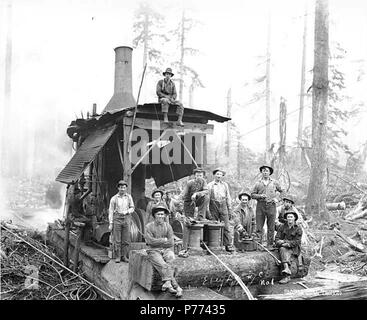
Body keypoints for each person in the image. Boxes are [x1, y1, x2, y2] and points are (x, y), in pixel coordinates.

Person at [145, 205, 183, 297]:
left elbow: (171, 243)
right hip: (153, 251)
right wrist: (163, 240)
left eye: (162, 214)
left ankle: (168, 283)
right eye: (158, 214)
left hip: (166, 250)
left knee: (171, 259)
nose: (161, 216)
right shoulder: (149, 226)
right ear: (154, 215)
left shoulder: (168, 226)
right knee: (164, 265)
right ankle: (176, 287)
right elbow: (149, 241)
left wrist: (160, 242)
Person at [251, 165, 284, 249]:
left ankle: (270, 245)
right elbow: (252, 195)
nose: (265, 172)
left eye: (267, 171)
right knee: (259, 226)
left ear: (270, 173)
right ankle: (259, 245)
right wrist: (260, 196)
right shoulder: (258, 183)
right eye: (263, 171)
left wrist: (277, 199)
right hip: (260, 206)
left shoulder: (274, 182)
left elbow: (282, 191)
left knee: (271, 226)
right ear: (261, 172)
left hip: (271, 206)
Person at [207, 168, 235, 252]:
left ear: (222, 176)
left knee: (226, 226)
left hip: (223, 205)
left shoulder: (225, 185)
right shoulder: (210, 185)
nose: (219, 176)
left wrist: (229, 208)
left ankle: (227, 245)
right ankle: (212, 245)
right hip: (213, 205)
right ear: (214, 175)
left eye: (220, 174)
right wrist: (208, 210)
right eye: (217, 174)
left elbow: (228, 196)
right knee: (212, 226)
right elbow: (207, 198)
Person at [108, 180, 135, 263]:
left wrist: (127, 211)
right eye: (121, 187)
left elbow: (132, 208)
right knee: (117, 239)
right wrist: (111, 223)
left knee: (126, 239)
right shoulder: (114, 198)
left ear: (126, 188)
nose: (122, 189)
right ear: (118, 188)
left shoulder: (129, 197)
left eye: (124, 187)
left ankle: (124, 256)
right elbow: (111, 211)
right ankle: (118, 256)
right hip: (117, 219)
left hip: (126, 218)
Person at [275, 211, 303, 284]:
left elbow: (297, 242)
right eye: (288, 217)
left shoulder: (298, 229)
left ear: (294, 218)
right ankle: (286, 269)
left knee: (283, 249)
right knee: (282, 249)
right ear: (286, 218)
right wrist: (279, 242)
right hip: (283, 246)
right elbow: (277, 238)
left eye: (291, 217)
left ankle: (287, 273)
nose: (289, 218)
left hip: (294, 248)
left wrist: (285, 242)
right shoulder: (282, 227)